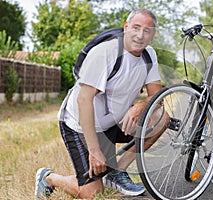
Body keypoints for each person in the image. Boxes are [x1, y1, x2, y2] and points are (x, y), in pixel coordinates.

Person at [35, 8, 165, 199]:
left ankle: (116, 172)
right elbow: (84, 99)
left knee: (161, 118)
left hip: (112, 123)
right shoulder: (106, 52)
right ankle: (48, 178)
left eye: (147, 30)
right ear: (126, 27)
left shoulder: (149, 55)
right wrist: (94, 151)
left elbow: (157, 96)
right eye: (136, 28)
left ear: (152, 35)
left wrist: (140, 106)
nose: (140, 35)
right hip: (79, 125)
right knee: (94, 194)